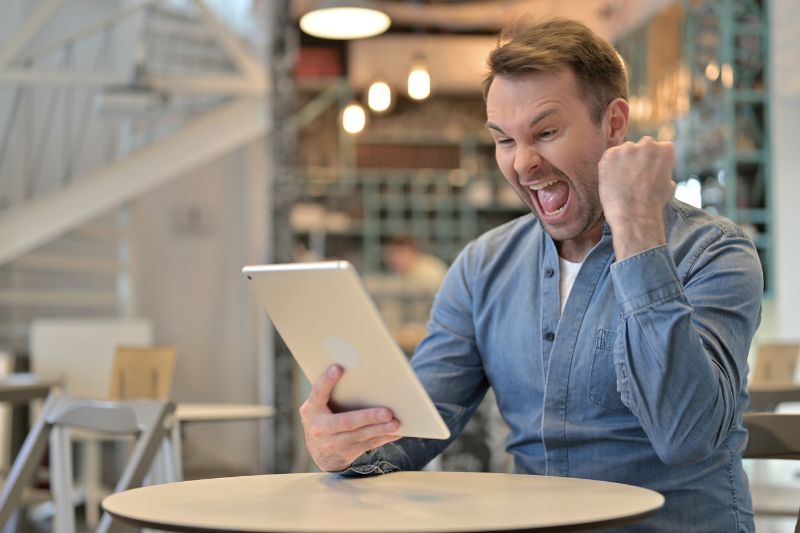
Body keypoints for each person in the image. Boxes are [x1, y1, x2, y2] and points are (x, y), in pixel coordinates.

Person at [299, 17, 762, 532]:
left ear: (614, 124)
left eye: (545, 133)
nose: (523, 163)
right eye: (503, 140)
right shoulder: (483, 266)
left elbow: (685, 436)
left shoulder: (714, 253)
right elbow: (415, 432)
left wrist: (635, 231)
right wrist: (346, 447)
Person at [383, 234, 448, 291]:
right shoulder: (403, 273)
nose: (394, 259)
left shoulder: (428, 270)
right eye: (391, 254)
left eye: (400, 253)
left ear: (414, 252)